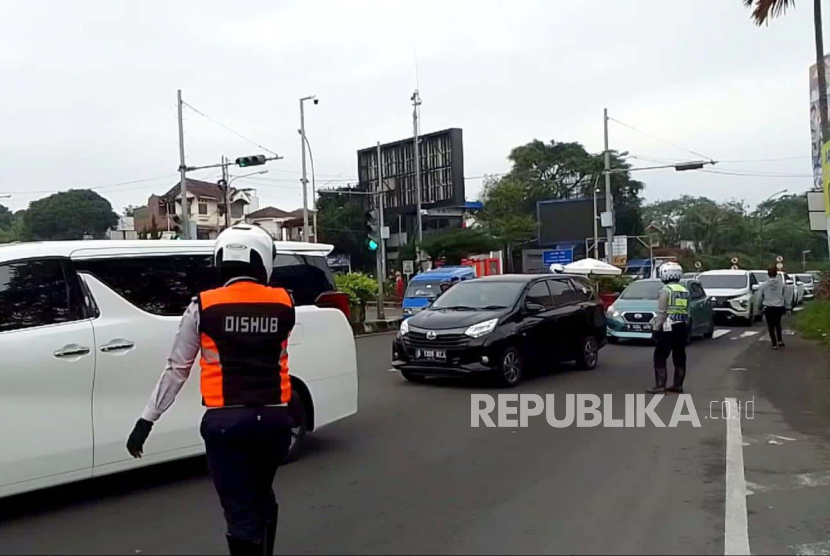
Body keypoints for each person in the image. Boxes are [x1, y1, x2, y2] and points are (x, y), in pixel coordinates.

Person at [126, 224, 296, 556]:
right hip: (275, 422)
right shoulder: (284, 302)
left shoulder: (202, 306)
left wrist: (146, 421)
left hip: (226, 426)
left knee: (240, 512)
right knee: (261, 495)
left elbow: (177, 369)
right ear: (262, 260)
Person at [647, 262, 689, 394]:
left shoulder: (665, 291)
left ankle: (660, 386)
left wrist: (655, 329)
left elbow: (662, 313)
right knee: (679, 355)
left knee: (660, 356)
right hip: (682, 326)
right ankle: (678, 385)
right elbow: (687, 311)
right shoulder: (685, 290)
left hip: (668, 327)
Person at [759, 266, 786, 349]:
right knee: (778, 324)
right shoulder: (782, 284)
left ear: (768, 274)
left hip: (768, 307)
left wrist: (759, 306)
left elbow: (760, 297)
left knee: (770, 326)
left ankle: (774, 344)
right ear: (776, 274)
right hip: (779, 306)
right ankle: (780, 340)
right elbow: (784, 294)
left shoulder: (763, 285)